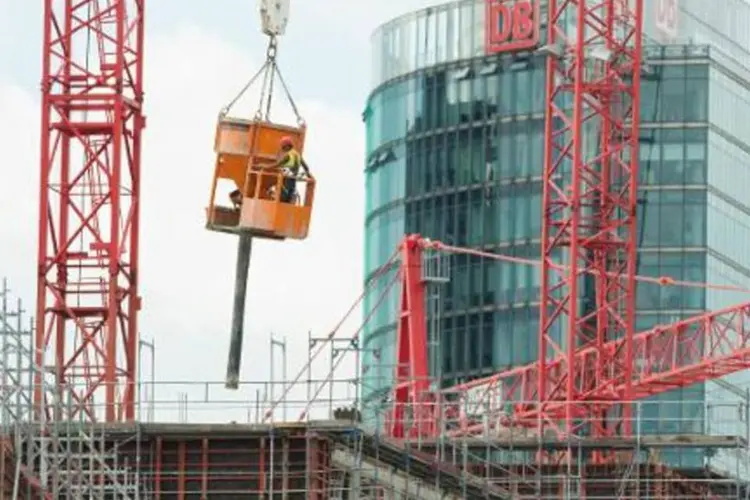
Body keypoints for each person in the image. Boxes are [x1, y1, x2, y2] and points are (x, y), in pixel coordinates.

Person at [274, 136, 311, 203]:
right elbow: (306, 167)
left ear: (287, 146)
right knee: (289, 195)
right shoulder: (297, 155)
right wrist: (308, 175)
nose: (283, 149)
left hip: (287, 179)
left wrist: (263, 166)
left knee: (283, 197)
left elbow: (277, 165)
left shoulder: (288, 155)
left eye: (283, 147)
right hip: (293, 179)